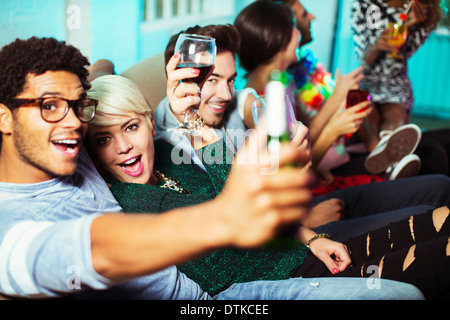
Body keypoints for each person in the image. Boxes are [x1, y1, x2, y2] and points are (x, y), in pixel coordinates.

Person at [1, 36, 373, 301]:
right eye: (50, 105)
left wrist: (187, 119)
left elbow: (103, 78)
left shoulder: (74, 140)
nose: (71, 123)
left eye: (76, 105)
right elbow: (87, 251)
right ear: (4, 117)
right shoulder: (12, 227)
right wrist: (225, 215)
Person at [84, 74, 450, 300]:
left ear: (149, 122)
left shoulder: (165, 153)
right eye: (102, 140)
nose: (122, 147)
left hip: (303, 252)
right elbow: (239, 209)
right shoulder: (127, 202)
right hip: (291, 279)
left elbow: (244, 197)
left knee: (439, 218)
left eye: (130, 127)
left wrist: (310, 238)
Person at [350, 0, 444, 174]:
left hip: (395, 82)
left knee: (396, 114)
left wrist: (412, 26)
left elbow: (401, 57)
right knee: (360, 104)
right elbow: (362, 60)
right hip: (365, 80)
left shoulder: (424, 13)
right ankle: (389, 164)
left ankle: (386, 157)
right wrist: (377, 46)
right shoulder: (363, 5)